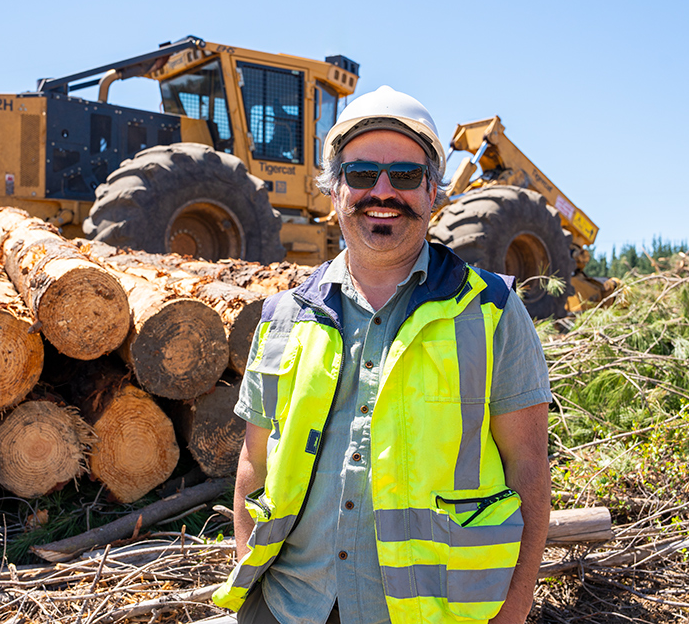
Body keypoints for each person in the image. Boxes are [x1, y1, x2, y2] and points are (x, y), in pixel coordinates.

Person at [213, 86, 552, 624]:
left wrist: (513, 612)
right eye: (363, 174)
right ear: (334, 190)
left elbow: (529, 470)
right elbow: (254, 463)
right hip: (290, 607)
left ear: (434, 191)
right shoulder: (284, 315)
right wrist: (246, 578)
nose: (384, 191)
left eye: (407, 175)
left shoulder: (492, 312)